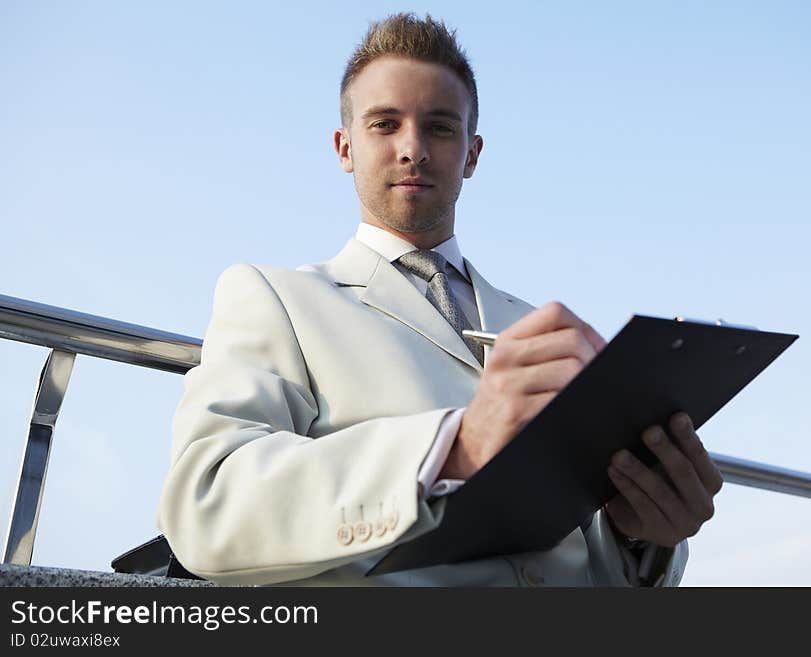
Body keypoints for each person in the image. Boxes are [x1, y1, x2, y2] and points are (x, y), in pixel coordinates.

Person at [156, 13, 722, 587]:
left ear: (472, 154)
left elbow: (583, 566)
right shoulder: (276, 297)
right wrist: (452, 450)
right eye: (384, 124)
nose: (413, 149)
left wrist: (638, 535)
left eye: (441, 127)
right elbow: (207, 501)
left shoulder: (537, 327)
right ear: (344, 147)